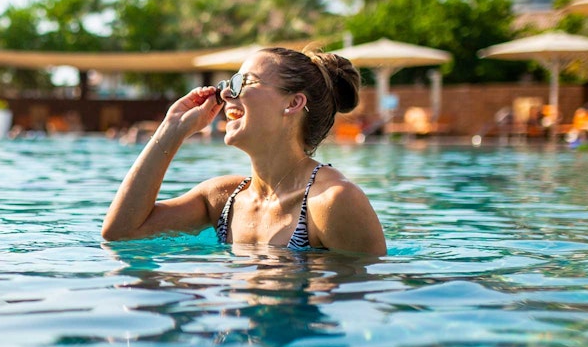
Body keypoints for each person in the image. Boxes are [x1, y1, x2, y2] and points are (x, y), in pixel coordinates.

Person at [102, 47, 386, 255]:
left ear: (293, 103)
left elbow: (361, 307)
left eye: (243, 83)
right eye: (228, 84)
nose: (226, 94)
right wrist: (171, 129)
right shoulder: (224, 200)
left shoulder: (331, 202)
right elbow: (122, 234)